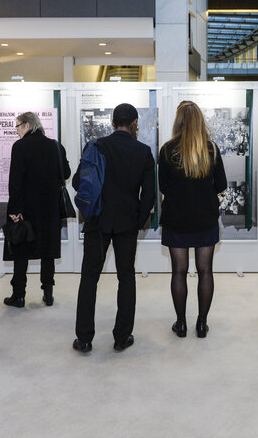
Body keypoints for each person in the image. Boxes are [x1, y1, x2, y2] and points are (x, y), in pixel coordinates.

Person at [72, 103, 155, 353]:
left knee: (89, 278)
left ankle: (84, 338)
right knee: (126, 277)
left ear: (112, 122)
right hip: (127, 223)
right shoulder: (143, 151)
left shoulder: (96, 146)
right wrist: (139, 221)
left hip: (97, 221)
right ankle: (122, 337)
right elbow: (149, 194)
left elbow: (78, 181)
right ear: (134, 124)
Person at [158, 101, 227, 338]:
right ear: (200, 120)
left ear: (178, 121)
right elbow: (222, 185)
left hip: (176, 218)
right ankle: (201, 324)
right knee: (205, 271)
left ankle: (181, 324)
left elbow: (163, 186)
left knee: (179, 271)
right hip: (205, 217)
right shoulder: (211, 149)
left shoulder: (167, 150)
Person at [3, 112, 70, 308]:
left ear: (27, 124)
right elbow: (65, 173)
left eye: (17, 126)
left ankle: (19, 295)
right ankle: (48, 293)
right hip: (50, 208)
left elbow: (15, 181)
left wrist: (14, 209)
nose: (16, 131)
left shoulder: (20, 146)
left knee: (21, 249)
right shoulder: (55, 146)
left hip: (26, 208)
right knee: (48, 250)